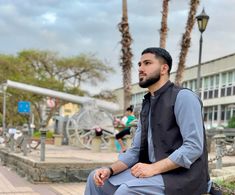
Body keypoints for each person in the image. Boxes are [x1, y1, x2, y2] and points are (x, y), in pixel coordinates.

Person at [85, 47, 218, 195]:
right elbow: (135, 151)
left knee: (126, 191)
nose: (141, 69)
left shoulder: (183, 97)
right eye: (140, 64)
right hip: (155, 173)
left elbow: (193, 147)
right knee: (95, 179)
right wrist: (110, 170)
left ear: (164, 68)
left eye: (147, 63)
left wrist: (153, 168)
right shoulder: (147, 104)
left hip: (184, 177)